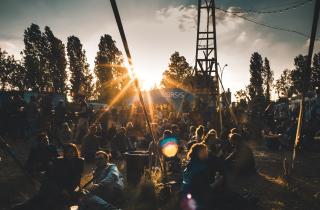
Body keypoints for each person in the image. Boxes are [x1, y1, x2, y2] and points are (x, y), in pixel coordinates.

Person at [14, 144, 84, 210]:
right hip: (57, 186)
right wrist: (61, 189)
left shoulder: (79, 162)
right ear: (65, 153)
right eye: (68, 152)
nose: (70, 154)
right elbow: (53, 177)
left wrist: (68, 190)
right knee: (42, 196)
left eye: (72, 152)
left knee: (51, 199)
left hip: (69, 188)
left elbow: (77, 180)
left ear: (75, 152)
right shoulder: (59, 161)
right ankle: (22, 206)